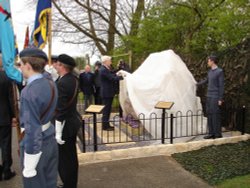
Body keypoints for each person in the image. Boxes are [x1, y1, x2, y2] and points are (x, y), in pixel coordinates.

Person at [19, 48, 58, 188]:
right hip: (50, 138)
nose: (20, 68)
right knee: (50, 183)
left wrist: (29, 164)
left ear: (28, 65)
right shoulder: (50, 83)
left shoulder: (29, 92)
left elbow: (32, 128)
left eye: (21, 64)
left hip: (36, 145)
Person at [54, 54, 81, 188]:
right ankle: (70, 183)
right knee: (70, 157)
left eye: (56, 63)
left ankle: (68, 184)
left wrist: (58, 131)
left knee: (65, 159)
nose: (54, 65)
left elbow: (61, 110)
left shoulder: (63, 83)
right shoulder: (73, 79)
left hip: (66, 125)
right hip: (72, 121)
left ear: (62, 66)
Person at [197, 55, 224, 139]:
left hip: (215, 96)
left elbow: (221, 86)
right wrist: (196, 83)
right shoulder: (209, 72)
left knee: (215, 114)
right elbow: (206, 80)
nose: (207, 62)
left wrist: (220, 98)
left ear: (212, 61)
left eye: (208, 61)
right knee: (209, 114)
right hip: (208, 96)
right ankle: (211, 133)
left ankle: (217, 134)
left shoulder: (220, 71)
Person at [0, 54, 16, 181]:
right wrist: (14, 115)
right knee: (5, 144)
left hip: (4, 116)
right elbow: (11, 99)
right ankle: (6, 170)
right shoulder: (6, 77)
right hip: (4, 116)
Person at [99, 56, 123, 131]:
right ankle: (105, 126)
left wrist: (118, 69)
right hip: (107, 93)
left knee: (108, 110)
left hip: (108, 92)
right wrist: (122, 77)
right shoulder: (103, 69)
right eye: (110, 61)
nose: (111, 62)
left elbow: (111, 72)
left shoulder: (105, 68)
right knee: (106, 110)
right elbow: (111, 78)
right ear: (106, 61)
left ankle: (106, 125)